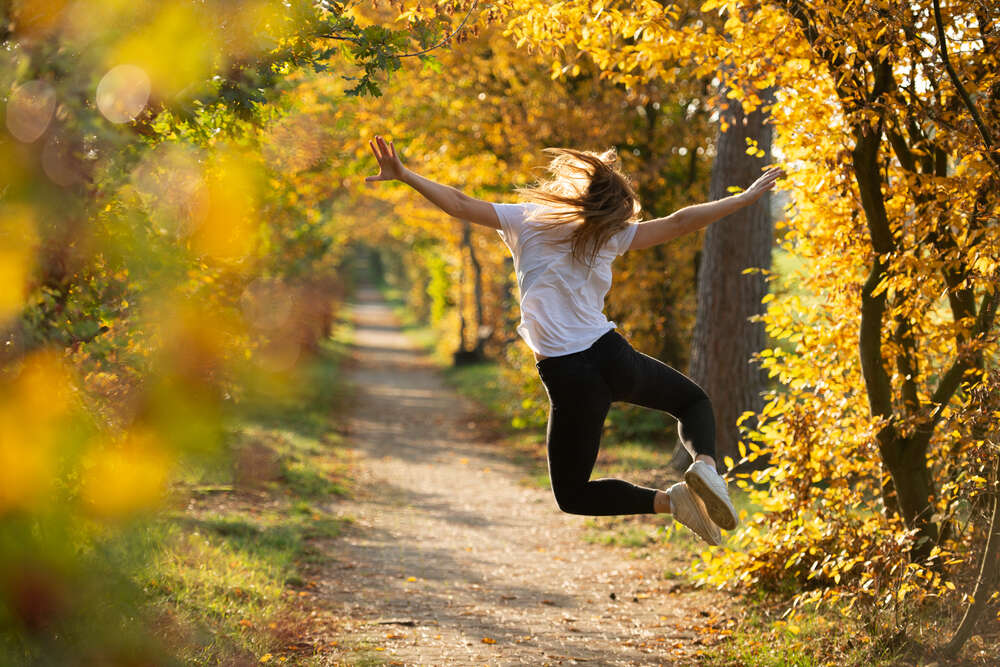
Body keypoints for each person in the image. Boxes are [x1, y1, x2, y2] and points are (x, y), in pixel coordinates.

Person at [365, 135, 782, 545]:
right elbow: (680, 222)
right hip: (610, 355)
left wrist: (405, 174)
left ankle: (672, 503)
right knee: (692, 402)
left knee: (573, 494)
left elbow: (457, 203)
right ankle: (704, 468)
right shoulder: (609, 233)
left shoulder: (525, 218)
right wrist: (742, 200)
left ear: (570, 188)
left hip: (567, 374)